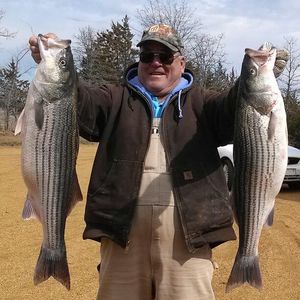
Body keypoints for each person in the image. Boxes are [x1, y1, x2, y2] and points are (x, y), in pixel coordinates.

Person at [29, 24, 286, 300]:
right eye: (147, 55)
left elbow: (237, 107)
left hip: (190, 244)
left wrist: (258, 77)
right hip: (120, 240)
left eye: (164, 56)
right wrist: (55, 64)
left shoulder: (204, 104)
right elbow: (76, 100)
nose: (155, 63)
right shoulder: (113, 99)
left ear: (181, 62)